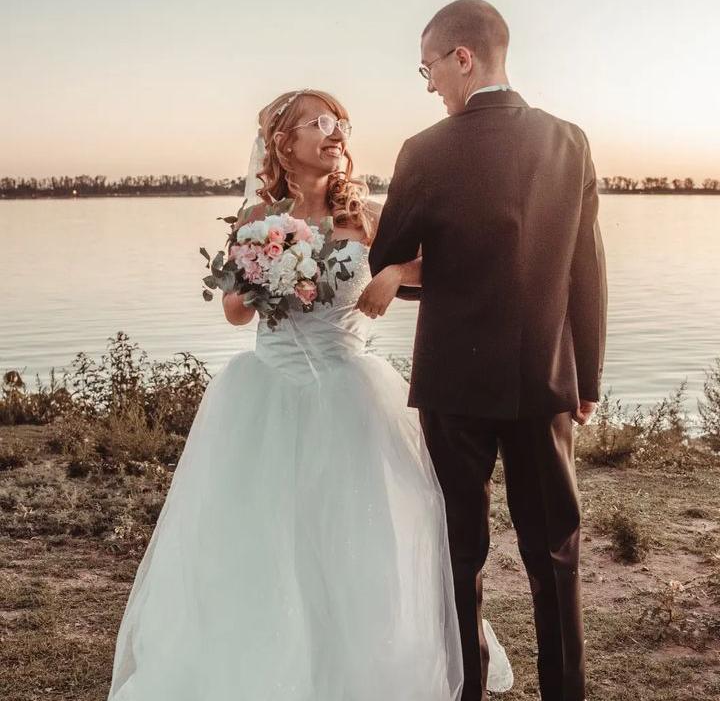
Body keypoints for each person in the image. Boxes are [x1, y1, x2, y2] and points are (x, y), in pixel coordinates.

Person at [106, 88, 513, 700]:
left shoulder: (368, 215)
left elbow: (439, 264)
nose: (336, 132)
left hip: (352, 390)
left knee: (361, 537)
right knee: (263, 540)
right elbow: (235, 315)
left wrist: (394, 272)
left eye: (341, 122)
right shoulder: (254, 220)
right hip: (264, 393)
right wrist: (268, 278)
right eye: (319, 123)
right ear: (283, 143)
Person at [365, 1, 608, 701]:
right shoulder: (571, 141)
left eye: (429, 68)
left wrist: (405, 268)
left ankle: (464, 689)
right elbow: (585, 270)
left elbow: (389, 260)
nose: (431, 84)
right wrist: (584, 374)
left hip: (451, 384)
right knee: (555, 551)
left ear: (462, 57)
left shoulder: (425, 149)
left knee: (458, 549)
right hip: (543, 379)